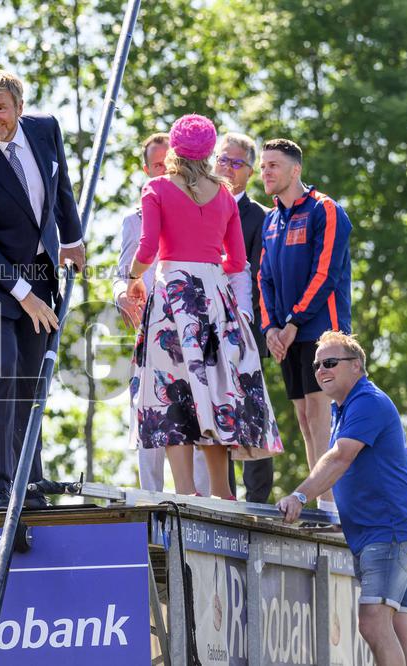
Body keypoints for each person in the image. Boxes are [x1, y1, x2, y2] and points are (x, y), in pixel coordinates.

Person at [0, 67, 85, 509]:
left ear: (19, 109)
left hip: (39, 269)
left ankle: (29, 480)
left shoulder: (45, 131)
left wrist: (73, 239)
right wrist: (23, 295)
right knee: (3, 370)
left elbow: (60, 187)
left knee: (31, 375)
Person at [124, 114, 282, 498]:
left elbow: (147, 249)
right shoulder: (225, 194)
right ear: (210, 152)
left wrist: (133, 278)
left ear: (175, 150)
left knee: (173, 391)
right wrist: (208, 264)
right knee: (212, 389)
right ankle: (222, 492)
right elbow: (237, 260)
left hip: (173, 298)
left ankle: (185, 492)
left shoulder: (157, 188)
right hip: (214, 297)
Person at [278, 331, 407, 666]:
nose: (320, 370)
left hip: (389, 532)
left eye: (330, 362)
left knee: (373, 623)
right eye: (317, 365)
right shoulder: (345, 408)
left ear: (356, 366)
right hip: (385, 531)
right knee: (398, 625)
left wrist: (301, 495)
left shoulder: (366, 402)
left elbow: (340, 458)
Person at [259, 138, 352, 513]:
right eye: (263, 166)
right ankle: (323, 503)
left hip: (322, 331)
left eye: (273, 166)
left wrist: (295, 321)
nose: (265, 172)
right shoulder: (270, 218)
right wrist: (270, 329)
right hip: (285, 334)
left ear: (295, 170)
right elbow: (263, 278)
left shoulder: (324, 209)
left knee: (320, 414)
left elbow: (326, 272)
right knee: (303, 416)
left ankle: (334, 508)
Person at [115, 132, 210, 495]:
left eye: (169, 163)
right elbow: (122, 272)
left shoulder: (199, 205)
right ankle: (150, 499)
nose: (164, 170)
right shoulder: (134, 218)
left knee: (198, 410)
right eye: (157, 165)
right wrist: (123, 293)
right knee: (149, 411)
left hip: (192, 326)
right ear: (147, 169)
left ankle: (202, 500)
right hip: (151, 328)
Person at [213, 132, 274, 503]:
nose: (228, 169)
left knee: (251, 411)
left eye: (237, 163)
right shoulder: (201, 204)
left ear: (249, 172)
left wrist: (249, 325)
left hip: (246, 325)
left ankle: (257, 500)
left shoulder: (261, 218)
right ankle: (223, 497)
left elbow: (256, 276)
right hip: (204, 326)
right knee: (215, 411)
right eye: (223, 160)